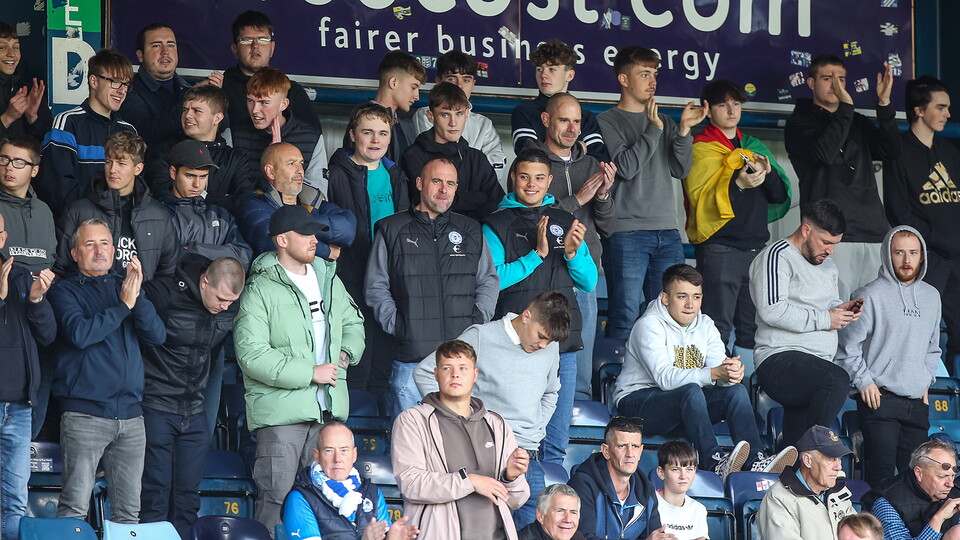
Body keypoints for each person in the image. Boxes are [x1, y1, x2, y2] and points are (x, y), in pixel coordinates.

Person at [233, 205, 365, 533]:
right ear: (281, 239)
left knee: (325, 502)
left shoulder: (327, 276)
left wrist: (343, 358)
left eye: (314, 233)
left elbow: (354, 323)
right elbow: (251, 354)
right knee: (276, 501)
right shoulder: (260, 287)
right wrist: (311, 373)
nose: (313, 240)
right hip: (282, 416)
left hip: (328, 411)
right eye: (304, 234)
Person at [612, 264, 796, 479]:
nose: (690, 305)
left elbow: (718, 370)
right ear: (665, 298)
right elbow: (665, 379)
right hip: (638, 404)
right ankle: (714, 462)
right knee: (691, 390)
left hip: (684, 404)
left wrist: (729, 373)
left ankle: (755, 460)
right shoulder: (648, 325)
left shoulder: (705, 324)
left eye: (696, 297)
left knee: (735, 392)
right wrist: (713, 374)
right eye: (682, 296)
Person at [483, 148, 597, 475]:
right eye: (524, 177)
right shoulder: (495, 223)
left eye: (538, 178)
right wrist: (536, 255)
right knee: (511, 438)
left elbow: (588, 282)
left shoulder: (566, 221)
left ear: (549, 181)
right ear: (513, 179)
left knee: (556, 439)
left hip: (562, 345)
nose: (531, 184)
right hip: (516, 344)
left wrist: (574, 255)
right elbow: (493, 280)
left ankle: (546, 508)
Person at [414, 290, 569, 528]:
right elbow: (426, 371)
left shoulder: (550, 348)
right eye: (540, 336)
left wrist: (537, 428)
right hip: (487, 457)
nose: (543, 345)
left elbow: (551, 392)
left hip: (528, 456)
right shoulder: (481, 336)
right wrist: (457, 420)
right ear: (526, 316)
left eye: (549, 341)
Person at [48, 220, 166, 523]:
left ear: (115, 250)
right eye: (89, 244)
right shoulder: (64, 291)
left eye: (104, 243)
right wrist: (123, 306)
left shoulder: (124, 287)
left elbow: (157, 336)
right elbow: (79, 334)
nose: (98, 251)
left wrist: (135, 297)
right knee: (74, 507)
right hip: (85, 415)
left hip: (131, 416)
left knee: (129, 514)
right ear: (75, 253)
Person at [365, 157, 499, 415]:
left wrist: (477, 322)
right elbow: (376, 286)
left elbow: (488, 280)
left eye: (450, 183)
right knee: (409, 448)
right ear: (419, 183)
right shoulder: (392, 228)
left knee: (456, 448)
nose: (443, 189)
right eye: (436, 181)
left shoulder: (470, 230)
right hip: (411, 362)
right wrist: (400, 326)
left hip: (459, 364)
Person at [598, 46, 706, 341]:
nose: (652, 81)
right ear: (623, 79)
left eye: (654, 74)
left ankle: (663, 383)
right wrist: (654, 130)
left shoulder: (665, 121)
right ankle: (622, 386)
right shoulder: (606, 120)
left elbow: (680, 169)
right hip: (626, 231)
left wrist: (683, 131)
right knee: (625, 313)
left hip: (667, 230)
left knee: (669, 315)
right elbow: (626, 167)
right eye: (644, 74)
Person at [139, 255, 245, 538]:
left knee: (187, 500)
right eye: (221, 298)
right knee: (155, 496)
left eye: (231, 303)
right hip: (156, 405)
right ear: (204, 280)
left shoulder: (226, 310)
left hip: (194, 412)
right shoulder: (165, 292)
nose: (224, 307)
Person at [682, 79, 791, 354]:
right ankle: (713, 392)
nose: (731, 110)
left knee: (753, 330)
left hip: (757, 251)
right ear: (707, 109)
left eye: (736, 103)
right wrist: (739, 184)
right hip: (720, 250)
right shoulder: (700, 148)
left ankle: (745, 392)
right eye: (722, 104)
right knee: (714, 328)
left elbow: (778, 195)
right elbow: (702, 202)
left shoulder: (754, 146)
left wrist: (768, 174)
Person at [784, 55, 900, 300]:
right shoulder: (799, 121)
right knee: (833, 310)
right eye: (827, 79)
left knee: (871, 315)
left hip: (871, 230)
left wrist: (884, 104)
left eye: (841, 80)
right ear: (811, 83)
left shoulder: (856, 120)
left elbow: (891, 152)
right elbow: (823, 153)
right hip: (828, 234)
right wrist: (846, 108)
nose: (836, 86)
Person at [392, 339, 530, 540]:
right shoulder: (412, 420)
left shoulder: (496, 424)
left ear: (475, 375)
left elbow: (517, 500)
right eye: (447, 367)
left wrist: (510, 477)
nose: (455, 374)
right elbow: (411, 483)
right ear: (436, 374)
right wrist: (469, 482)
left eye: (463, 368)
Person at [836, 226, 941, 486]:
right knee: (881, 477)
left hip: (916, 402)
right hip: (878, 400)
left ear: (922, 256)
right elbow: (848, 347)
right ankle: (878, 527)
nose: (907, 260)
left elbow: (933, 347)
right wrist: (864, 382)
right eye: (899, 253)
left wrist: (926, 379)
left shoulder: (932, 297)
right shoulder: (868, 295)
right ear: (887, 255)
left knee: (918, 483)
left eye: (913, 253)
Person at [529, 92, 617, 400]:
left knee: (580, 363)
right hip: (545, 276)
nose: (571, 129)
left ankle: (579, 415)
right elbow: (529, 217)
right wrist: (576, 200)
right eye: (564, 120)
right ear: (546, 120)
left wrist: (603, 196)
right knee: (542, 358)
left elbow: (607, 225)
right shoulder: (533, 162)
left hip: (584, 274)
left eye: (577, 122)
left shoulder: (592, 163)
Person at [749, 199, 857, 449]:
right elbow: (772, 310)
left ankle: (797, 471)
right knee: (836, 379)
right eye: (826, 242)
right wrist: (825, 319)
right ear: (806, 230)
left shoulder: (827, 263)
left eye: (835, 244)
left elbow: (826, 308)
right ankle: (819, 451)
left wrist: (840, 312)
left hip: (815, 364)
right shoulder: (777, 256)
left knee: (794, 449)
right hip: (779, 359)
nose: (831, 250)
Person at [326, 102, 409, 393]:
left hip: (388, 271)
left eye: (383, 133)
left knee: (386, 337)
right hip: (351, 268)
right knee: (355, 335)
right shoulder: (335, 174)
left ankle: (380, 410)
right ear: (352, 135)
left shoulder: (397, 176)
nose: (376, 141)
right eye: (368, 132)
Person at [883, 76, 960, 363]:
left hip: (958, 260)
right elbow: (898, 211)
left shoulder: (951, 152)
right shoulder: (898, 153)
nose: (947, 114)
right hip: (928, 260)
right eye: (940, 107)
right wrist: (931, 242)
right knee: (919, 329)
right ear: (919, 110)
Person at [55, 131, 179, 281]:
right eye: (108, 162)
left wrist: (145, 299)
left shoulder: (160, 215)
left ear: (138, 169)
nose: (112, 170)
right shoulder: (77, 211)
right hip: (90, 300)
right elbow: (60, 268)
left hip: (142, 300)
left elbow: (167, 273)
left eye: (121, 163)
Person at [0, 212, 55, 540]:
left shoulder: (21, 276)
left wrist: (35, 300)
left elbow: (48, 336)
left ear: (3, 238)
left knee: (16, 501)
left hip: (19, 408)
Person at [36, 48, 137, 216]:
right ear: (94, 81)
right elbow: (57, 190)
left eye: (125, 84)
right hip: (78, 228)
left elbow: (136, 187)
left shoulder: (129, 131)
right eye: (115, 81)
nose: (122, 90)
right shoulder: (67, 123)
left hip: (120, 231)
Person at [281, 422, 420, 540]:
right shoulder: (299, 498)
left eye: (344, 450)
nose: (337, 459)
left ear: (354, 455)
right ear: (316, 456)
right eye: (329, 450)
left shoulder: (372, 493)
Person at [144, 84, 257, 215]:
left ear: (218, 118)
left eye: (197, 111)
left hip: (220, 232)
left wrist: (196, 198)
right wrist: (220, 199)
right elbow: (162, 197)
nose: (188, 116)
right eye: (185, 110)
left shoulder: (235, 158)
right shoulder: (164, 152)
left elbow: (244, 203)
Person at [400, 82, 504, 222]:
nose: (453, 122)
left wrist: (460, 210)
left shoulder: (477, 158)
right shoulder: (413, 156)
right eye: (445, 115)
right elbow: (429, 204)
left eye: (459, 114)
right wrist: (477, 198)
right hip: (428, 239)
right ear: (430, 116)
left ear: (466, 114)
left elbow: (496, 204)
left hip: (473, 237)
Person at [237, 142, 355, 260]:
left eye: (301, 164)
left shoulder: (311, 199)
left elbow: (348, 228)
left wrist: (297, 228)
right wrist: (327, 251)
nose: (300, 170)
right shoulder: (252, 203)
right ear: (270, 172)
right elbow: (273, 240)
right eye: (291, 164)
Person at [412, 50, 507, 182]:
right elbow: (434, 161)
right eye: (452, 79)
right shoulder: (426, 114)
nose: (459, 85)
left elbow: (496, 171)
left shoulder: (484, 124)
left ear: (474, 83)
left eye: (466, 80)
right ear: (439, 81)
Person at [235, 67, 327, 203]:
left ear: (283, 104)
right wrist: (270, 157)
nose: (254, 110)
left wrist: (279, 157)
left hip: (297, 217)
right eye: (250, 101)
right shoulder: (235, 134)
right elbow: (234, 191)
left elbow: (318, 197)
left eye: (264, 103)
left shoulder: (310, 137)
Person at [221, 10, 320, 136]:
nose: (255, 46)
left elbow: (313, 136)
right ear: (235, 50)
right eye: (247, 40)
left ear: (272, 48)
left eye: (263, 40)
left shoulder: (292, 90)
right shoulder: (220, 87)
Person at [120, 23, 217, 147]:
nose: (165, 52)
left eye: (171, 45)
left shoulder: (187, 87)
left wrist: (214, 98)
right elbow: (145, 134)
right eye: (156, 46)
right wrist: (192, 100)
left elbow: (221, 126)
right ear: (140, 55)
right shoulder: (127, 91)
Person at [161, 139, 253, 269]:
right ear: (173, 173)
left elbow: (244, 258)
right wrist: (218, 253)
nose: (197, 184)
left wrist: (194, 249)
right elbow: (164, 260)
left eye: (203, 176)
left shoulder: (220, 215)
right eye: (190, 176)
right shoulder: (158, 213)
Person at [512, 40, 608, 162]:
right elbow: (528, 154)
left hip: (580, 181)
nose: (543, 75)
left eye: (552, 69)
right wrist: (579, 148)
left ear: (570, 75)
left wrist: (545, 146)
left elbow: (599, 159)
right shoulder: (524, 112)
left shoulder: (587, 118)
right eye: (539, 69)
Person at [567, 416, 661, 540]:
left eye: (635, 446)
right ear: (606, 451)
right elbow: (583, 538)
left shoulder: (646, 490)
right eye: (622, 446)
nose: (630, 454)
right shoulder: (583, 484)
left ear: (641, 451)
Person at [756, 425, 856, 540]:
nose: (839, 467)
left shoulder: (840, 495)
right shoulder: (778, 498)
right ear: (808, 461)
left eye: (839, 459)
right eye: (830, 459)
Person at [862, 439, 960, 540]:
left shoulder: (955, 494)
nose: (950, 484)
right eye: (941, 476)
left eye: (952, 476)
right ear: (919, 473)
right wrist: (938, 518)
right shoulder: (887, 502)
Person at [342, 50, 426, 164]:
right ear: (393, 82)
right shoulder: (361, 119)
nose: (417, 96)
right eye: (413, 87)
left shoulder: (406, 126)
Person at [0, 134, 56, 273]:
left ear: (34, 170)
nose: (9, 167)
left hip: (41, 290)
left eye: (19, 162)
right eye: (4, 159)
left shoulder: (43, 211)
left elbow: (50, 258)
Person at [0, 21, 51, 142]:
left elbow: (48, 140)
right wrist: (7, 117)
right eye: (2, 47)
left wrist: (32, 117)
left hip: (24, 161)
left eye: (16, 47)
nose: (11, 54)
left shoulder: (29, 90)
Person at [653, 441, 708, 540]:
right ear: (661, 473)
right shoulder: (648, 504)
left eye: (689, 469)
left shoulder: (699, 510)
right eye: (676, 469)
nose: (683, 476)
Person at [517, 484, 587, 540]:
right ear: (540, 515)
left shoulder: (576, 537)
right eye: (560, 511)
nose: (568, 519)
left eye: (573, 512)